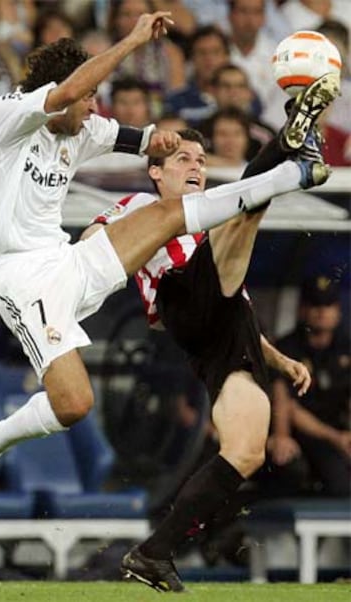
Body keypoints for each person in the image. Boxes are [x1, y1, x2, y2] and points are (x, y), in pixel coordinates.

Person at [0, 9, 338, 513]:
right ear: (65, 86)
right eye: (90, 96)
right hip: (21, 279)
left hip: (69, 261)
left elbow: (135, 138)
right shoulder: (7, 117)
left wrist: (160, 142)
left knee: (166, 214)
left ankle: (295, 174)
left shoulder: (82, 129)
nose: (94, 108)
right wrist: (133, 41)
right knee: (74, 404)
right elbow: (69, 96)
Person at [83, 83, 340, 591]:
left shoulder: (211, 219)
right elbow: (92, 241)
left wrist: (280, 359)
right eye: (182, 159)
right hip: (182, 301)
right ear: (157, 171)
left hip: (228, 336)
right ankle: (289, 155)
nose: (195, 165)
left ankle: (153, 554)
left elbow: (234, 302)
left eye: (200, 158)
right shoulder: (140, 204)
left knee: (247, 451)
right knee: (245, 210)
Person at [268, 275, 351, 497]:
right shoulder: (286, 349)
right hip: (305, 433)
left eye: (328, 305)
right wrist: (336, 438)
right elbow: (285, 403)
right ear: (302, 309)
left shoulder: (346, 346)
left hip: (338, 430)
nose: (322, 312)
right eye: (315, 305)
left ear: (338, 310)